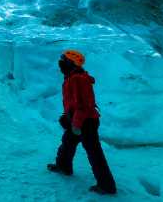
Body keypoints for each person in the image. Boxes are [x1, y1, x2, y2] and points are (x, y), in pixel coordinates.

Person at [47, 49, 117, 195]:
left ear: (69, 63)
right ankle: (63, 166)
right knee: (67, 143)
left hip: (86, 121)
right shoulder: (71, 76)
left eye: (63, 61)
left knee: (94, 153)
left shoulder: (78, 79)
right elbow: (73, 102)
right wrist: (67, 116)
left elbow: (84, 105)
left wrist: (76, 124)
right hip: (78, 118)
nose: (60, 63)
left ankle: (107, 186)